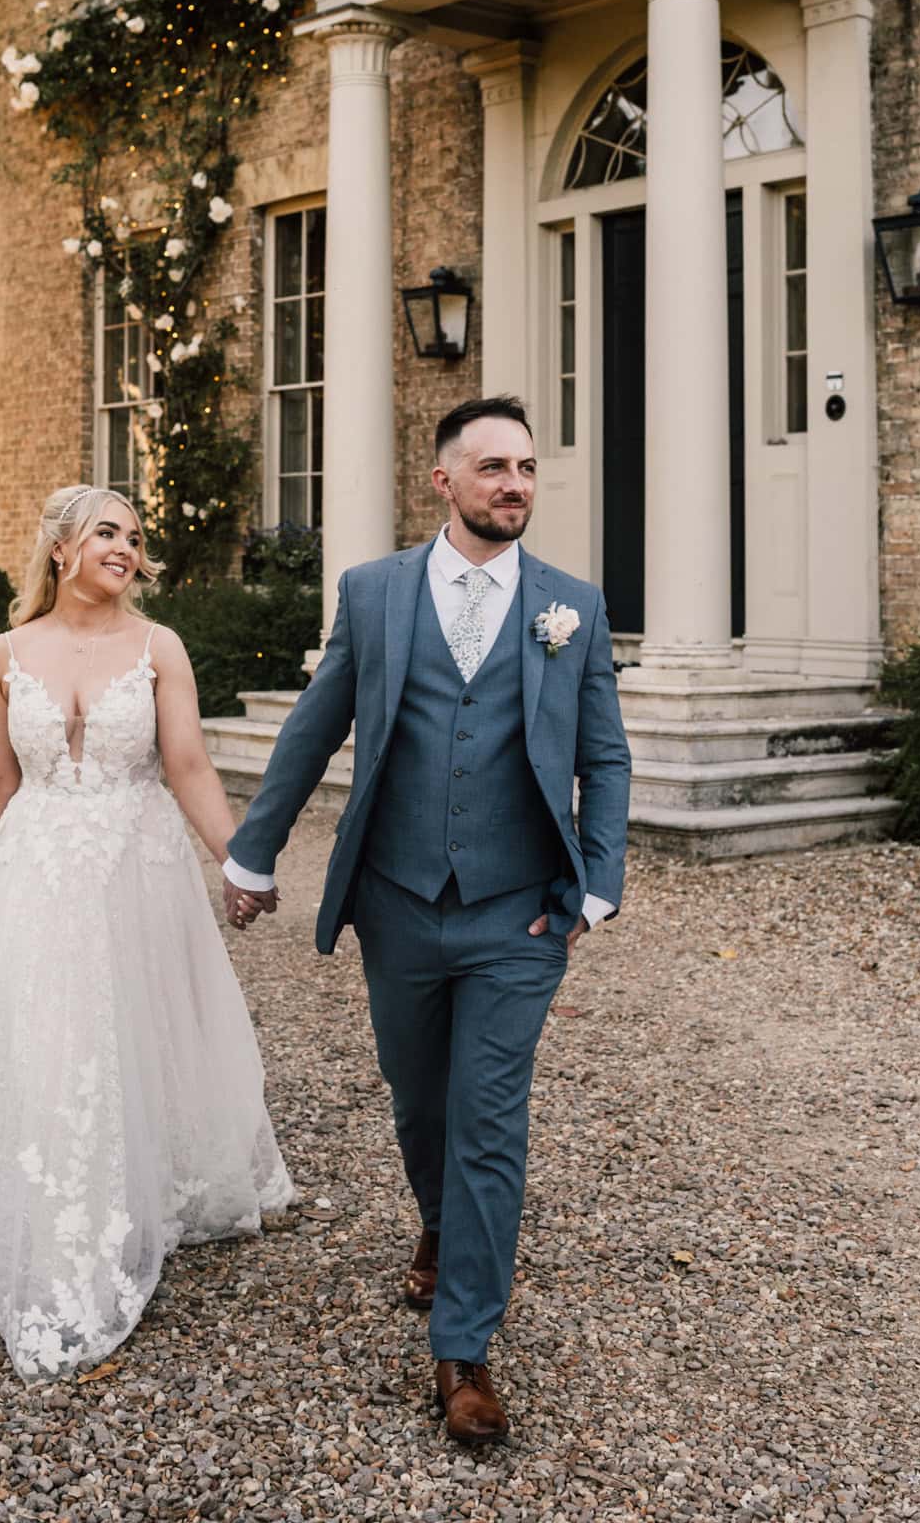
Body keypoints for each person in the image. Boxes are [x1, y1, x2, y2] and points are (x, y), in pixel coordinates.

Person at [221, 396, 630, 1445]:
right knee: (418, 1104)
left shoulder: (569, 606)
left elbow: (604, 755)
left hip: (517, 917)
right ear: (441, 480)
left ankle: (462, 1350)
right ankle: (443, 1229)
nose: (514, 483)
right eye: (491, 465)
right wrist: (252, 850)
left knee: (487, 1119)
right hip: (398, 905)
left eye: (527, 466)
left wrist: (592, 885)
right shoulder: (372, 594)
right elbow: (312, 730)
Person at [0, 484, 293, 1382]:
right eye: (107, 533)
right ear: (59, 548)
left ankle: (139, 1197)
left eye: (134, 538)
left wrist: (234, 860)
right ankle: (49, 1223)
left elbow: (187, 764)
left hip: (135, 862)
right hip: (37, 866)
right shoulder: (5, 650)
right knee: (50, 1039)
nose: (125, 548)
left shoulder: (156, 645)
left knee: (131, 1029)